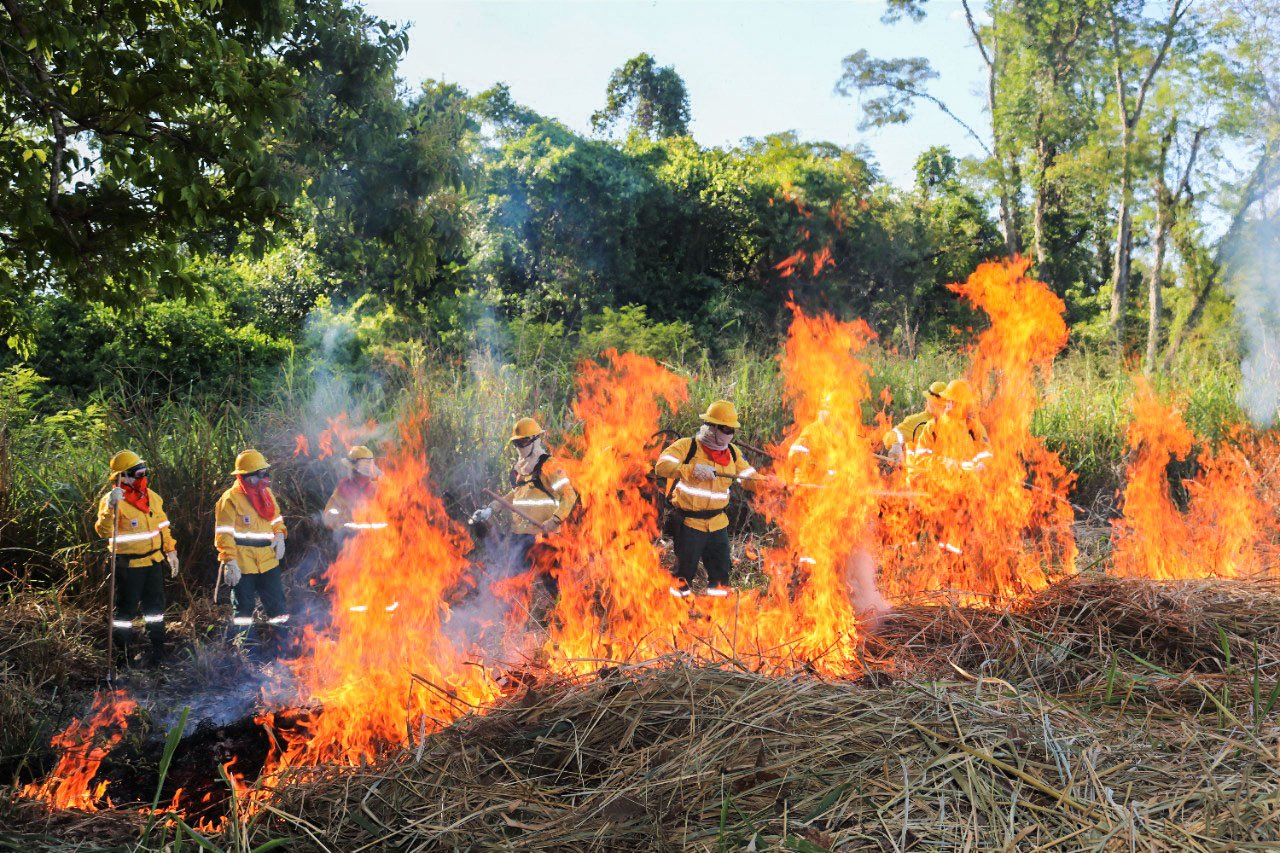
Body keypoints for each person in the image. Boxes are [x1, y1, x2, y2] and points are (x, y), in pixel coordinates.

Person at [655, 400, 761, 598]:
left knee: (721, 573)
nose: (727, 434)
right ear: (711, 427)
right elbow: (662, 466)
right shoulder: (688, 447)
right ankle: (677, 612)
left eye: (731, 430)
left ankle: (717, 613)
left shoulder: (732, 453)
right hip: (689, 524)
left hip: (718, 525)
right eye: (724, 428)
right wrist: (691, 470)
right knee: (683, 575)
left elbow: (748, 478)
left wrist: (770, 483)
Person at [469, 418, 578, 597]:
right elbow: (516, 496)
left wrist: (555, 520)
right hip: (519, 537)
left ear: (536, 440)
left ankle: (563, 618)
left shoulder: (550, 466)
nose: (520, 446)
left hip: (544, 538)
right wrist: (491, 508)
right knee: (514, 581)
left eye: (524, 441)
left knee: (554, 585)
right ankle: (516, 620)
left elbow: (569, 495)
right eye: (517, 443)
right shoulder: (520, 470)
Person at [94, 450, 179, 667]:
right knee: (125, 612)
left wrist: (170, 551)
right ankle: (122, 657)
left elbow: (163, 527)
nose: (142, 477)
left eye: (143, 471)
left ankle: (157, 651)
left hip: (153, 562)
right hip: (128, 565)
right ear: (122, 476)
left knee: (155, 609)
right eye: (136, 473)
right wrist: (111, 508)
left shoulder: (152, 496)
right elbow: (103, 531)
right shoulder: (112, 500)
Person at [215, 449, 289, 653]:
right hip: (243, 564)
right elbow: (224, 533)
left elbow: (276, 519)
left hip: (268, 561)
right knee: (244, 609)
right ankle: (247, 651)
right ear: (248, 476)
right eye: (261, 474)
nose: (265, 478)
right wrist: (229, 561)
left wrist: (280, 535)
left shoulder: (266, 492)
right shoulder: (230, 499)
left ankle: (282, 647)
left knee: (278, 607)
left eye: (266, 473)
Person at [323, 445, 394, 615]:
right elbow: (329, 515)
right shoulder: (343, 489)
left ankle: (382, 623)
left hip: (377, 547)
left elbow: (396, 495)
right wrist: (344, 527)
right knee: (355, 587)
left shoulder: (378, 487)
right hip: (352, 547)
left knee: (380, 585)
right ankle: (356, 626)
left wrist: (380, 475)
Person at [881, 380, 948, 464]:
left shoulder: (953, 424)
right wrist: (896, 445)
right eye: (931, 401)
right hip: (917, 475)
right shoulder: (917, 421)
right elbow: (890, 435)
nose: (933, 405)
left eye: (938, 404)